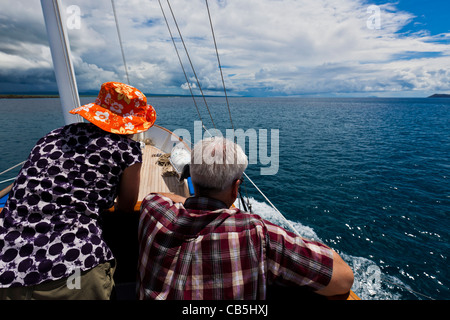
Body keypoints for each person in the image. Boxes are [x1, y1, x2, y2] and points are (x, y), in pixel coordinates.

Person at [137, 137, 354, 300]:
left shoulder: (154, 208)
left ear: (191, 176)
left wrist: (185, 202)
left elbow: (159, 197)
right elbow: (344, 278)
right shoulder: (257, 232)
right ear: (236, 188)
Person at [0, 81, 156, 300]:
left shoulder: (52, 136)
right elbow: (127, 206)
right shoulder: (126, 150)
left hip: (7, 264)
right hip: (73, 263)